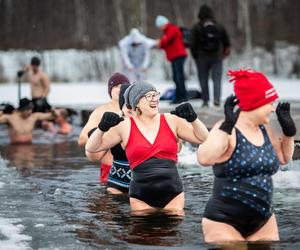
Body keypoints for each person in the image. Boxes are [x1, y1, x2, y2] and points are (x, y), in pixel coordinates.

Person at [197, 69, 296, 242]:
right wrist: (227, 126)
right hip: (224, 220)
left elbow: (284, 158)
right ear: (255, 103)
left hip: (264, 220)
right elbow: (205, 158)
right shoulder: (228, 129)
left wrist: (289, 133)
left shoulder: (265, 130)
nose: (273, 109)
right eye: (270, 103)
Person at [85, 81, 209, 212]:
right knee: (142, 232)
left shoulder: (171, 120)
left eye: (156, 95)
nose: (155, 99)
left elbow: (205, 139)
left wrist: (194, 119)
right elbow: (91, 148)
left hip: (173, 194)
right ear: (136, 102)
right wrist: (102, 128)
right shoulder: (125, 126)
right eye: (149, 96)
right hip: (140, 197)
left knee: (173, 231)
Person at [78, 72, 130, 184]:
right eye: (116, 86)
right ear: (110, 90)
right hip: (111, 170)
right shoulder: (101, 111)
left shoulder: (136, 110)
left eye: (123, 86)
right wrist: (110, 139)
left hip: (137, 170)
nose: (119, 89)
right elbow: (82, 139)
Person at [86, 84, 132, 194]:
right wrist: (99, 131)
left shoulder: (149, 123)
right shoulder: (111, 121)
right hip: (115, 183)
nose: (131, 109)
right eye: (127, 105)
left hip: (144, 184)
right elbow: (93, 156)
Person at [190, 4, 231, 107]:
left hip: (202, 57)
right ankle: (217, 99)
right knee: (217, 79)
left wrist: (195, 56)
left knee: (203, 79)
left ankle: (205, 100)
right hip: (217, 56)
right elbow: (227, 42)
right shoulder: (219, 26)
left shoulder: (196, 27)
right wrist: (223, 53)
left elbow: (192, 43)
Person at [155, 15, 188, 104]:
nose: (160, 28)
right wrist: (160, 43)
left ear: (164, 23)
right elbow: (165, 43)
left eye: (160, 26)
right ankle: (180, 96)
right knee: (176, 77)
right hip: (175, 56)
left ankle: (182, 97)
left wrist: (160, 42)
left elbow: (166, 40)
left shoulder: (171, 29)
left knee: (178, 77)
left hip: (178, 55)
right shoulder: (167, 31)